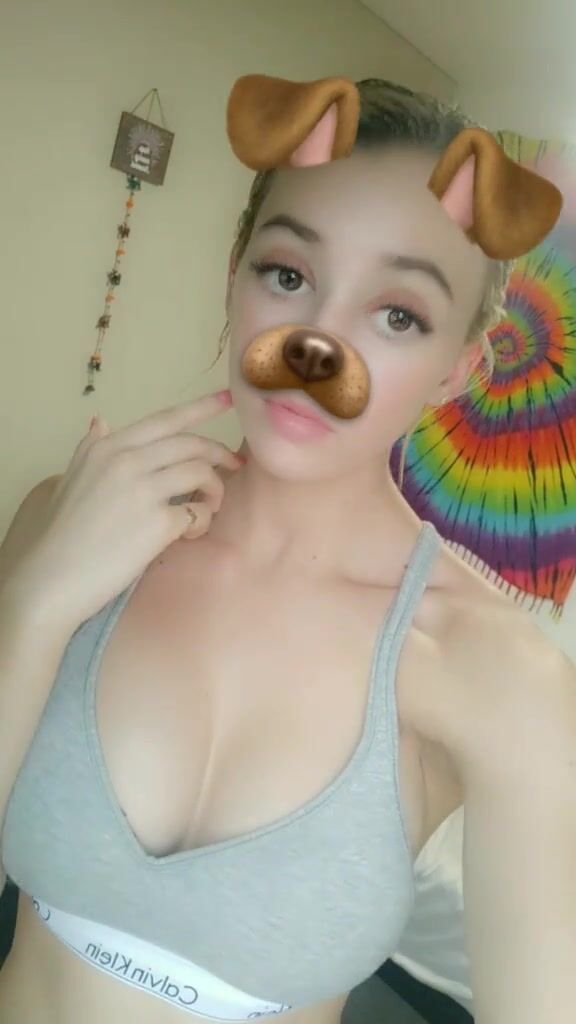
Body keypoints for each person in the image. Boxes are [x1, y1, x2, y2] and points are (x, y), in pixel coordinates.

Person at [0, 75, 573, 1024]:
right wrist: (32, 608)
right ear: (236, 276)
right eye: (289, 275)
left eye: (399, 314)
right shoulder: (67, 525)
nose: (317, 344)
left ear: (458, 369)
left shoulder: (502, 675)